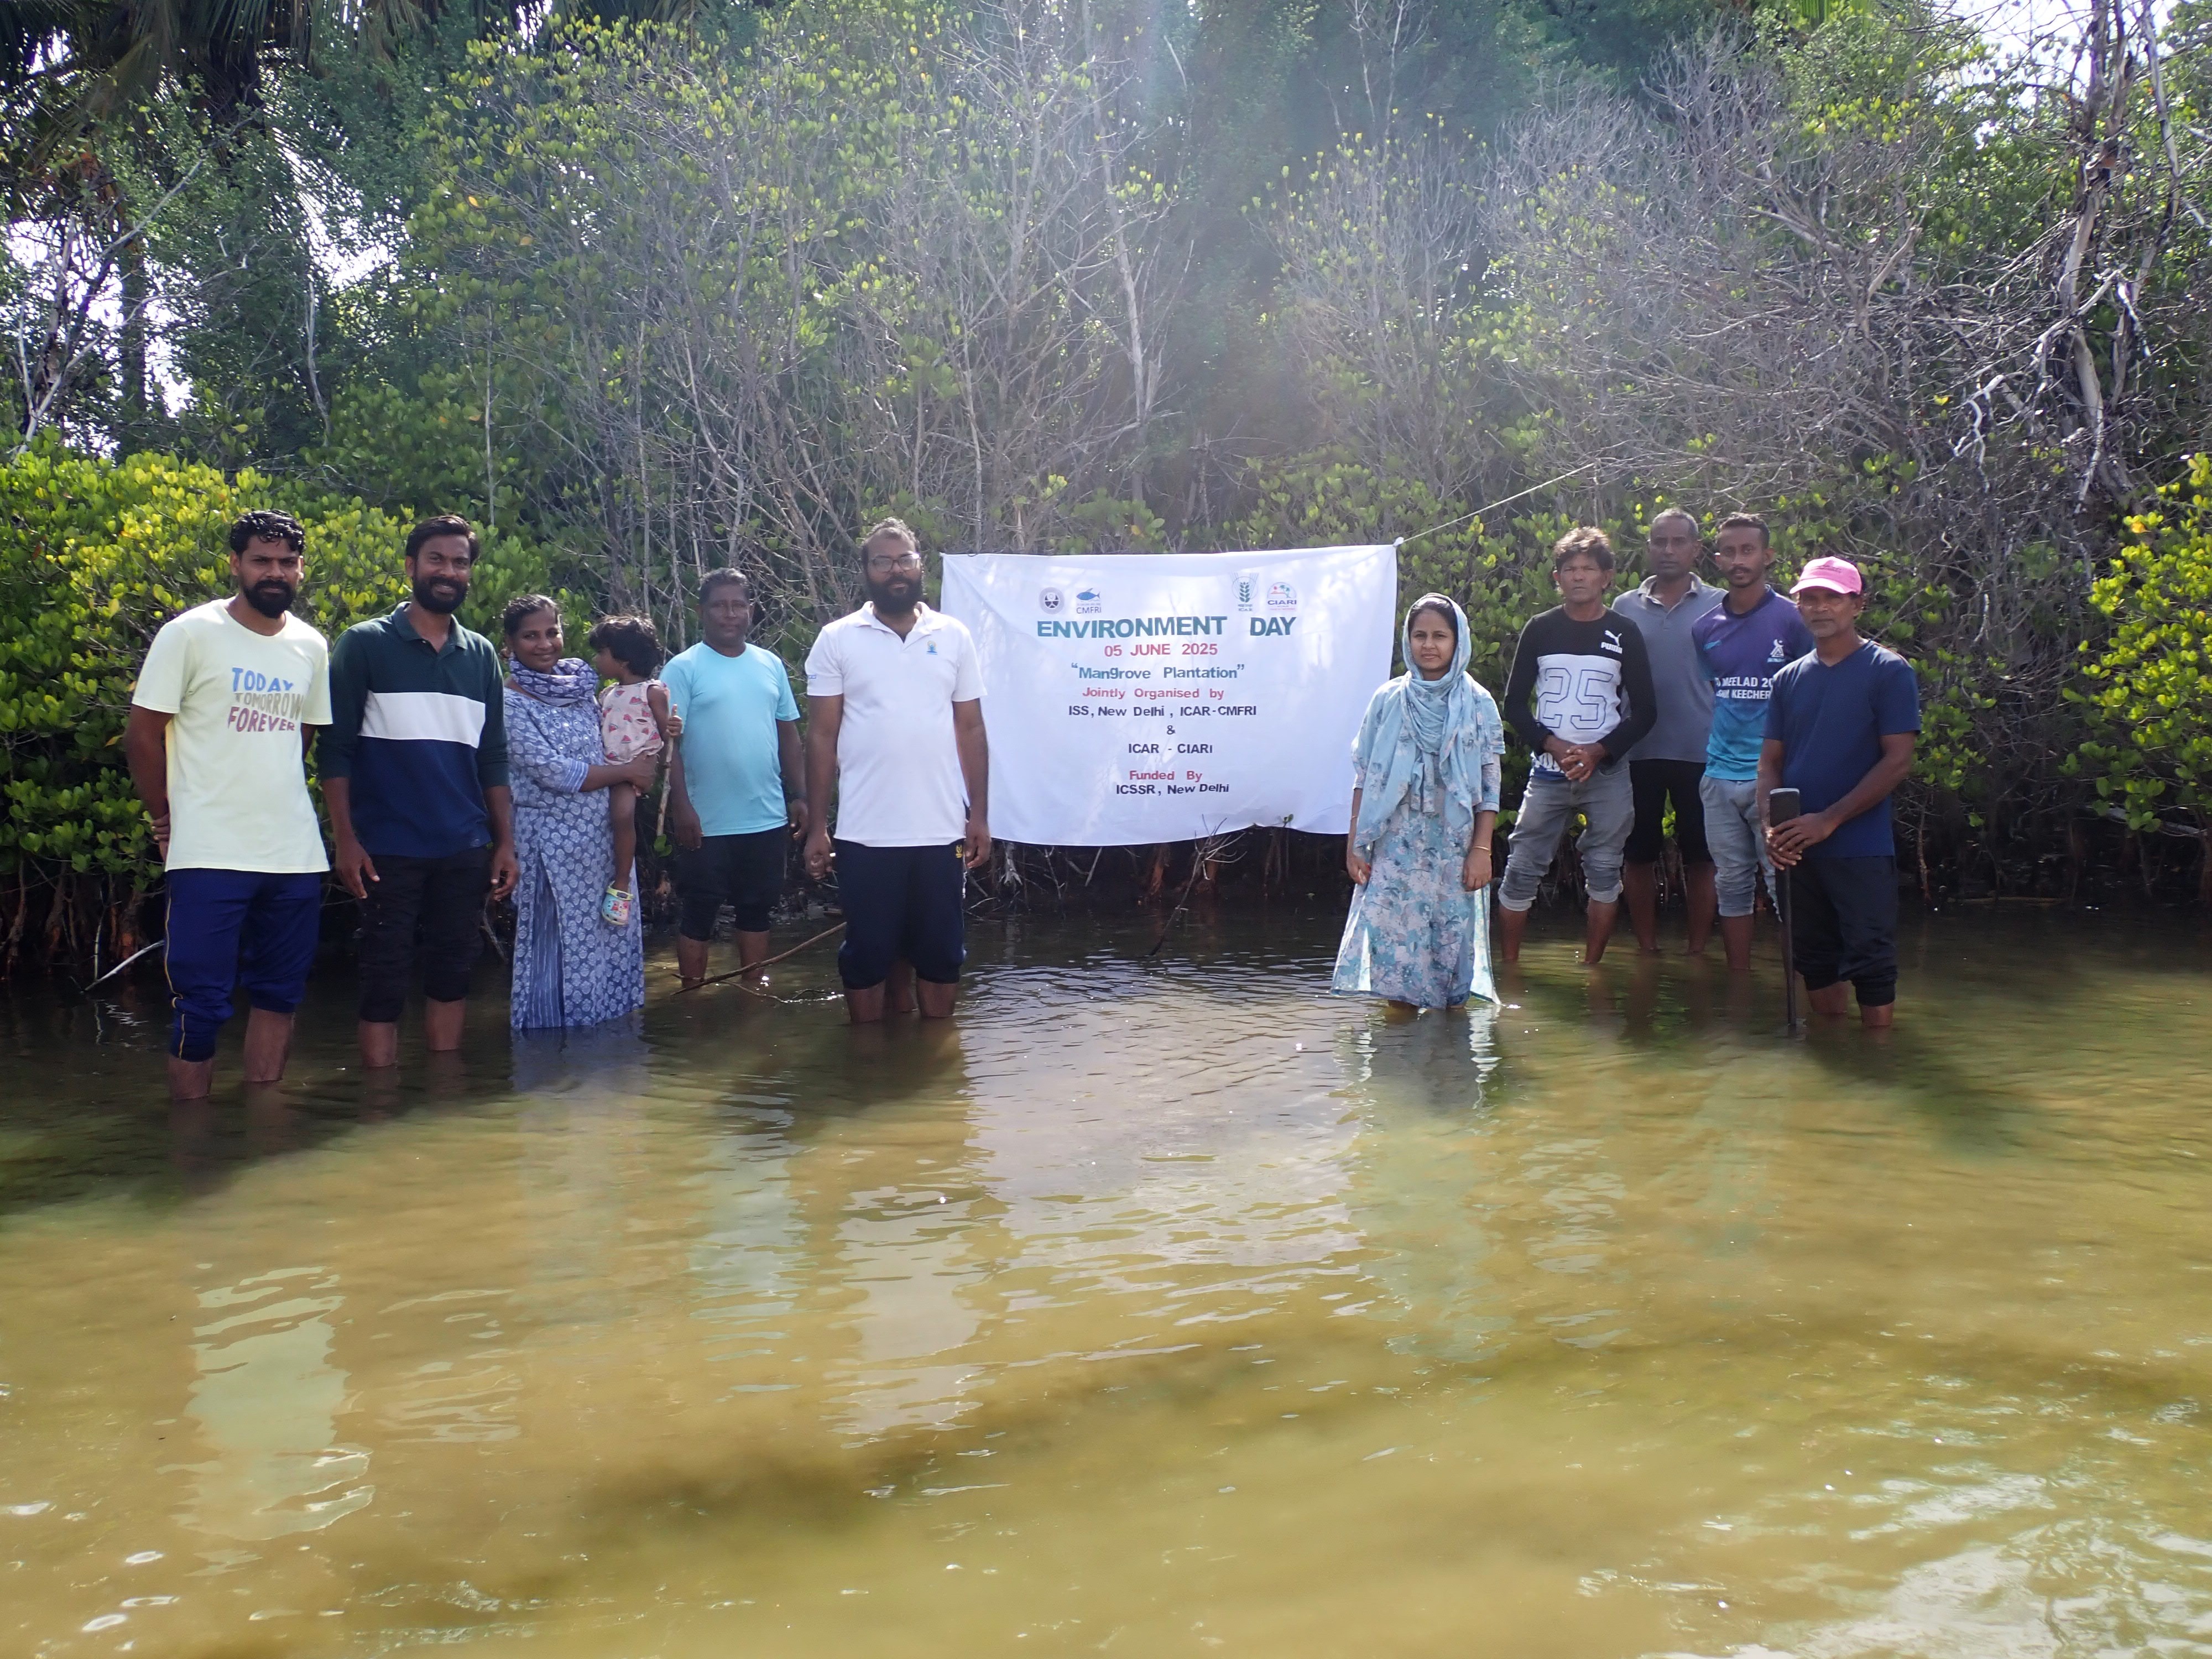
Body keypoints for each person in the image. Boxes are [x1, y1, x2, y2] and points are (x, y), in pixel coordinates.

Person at [124, 510, 332, 1099]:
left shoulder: (311, 645)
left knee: (280, 996)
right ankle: (191, 1134)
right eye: (261, 561)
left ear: (301, 569)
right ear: (236, 564)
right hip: (209, 853)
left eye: (287, 562)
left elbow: (302, 735)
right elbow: (142, 736)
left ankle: (263, 1133)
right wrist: (164, 817)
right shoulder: (189, 634)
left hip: (293, 855)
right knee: (201, 1005)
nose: (275, 573)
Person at [321, 514, 518, 1067]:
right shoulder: (364, 644)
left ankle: (442, 1094)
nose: (448, 572)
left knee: (453, 975)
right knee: (383, 978)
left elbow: (493, 756)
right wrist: (346, 841)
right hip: (385, 847)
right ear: (411, 566)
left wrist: (505, 844)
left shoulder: (480, 655)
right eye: (436, 560)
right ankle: (378, 1101)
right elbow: (335, 750)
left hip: (463, 845)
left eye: (460, 563)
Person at [802, 517, 990, 1022]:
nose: (896, 570)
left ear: (920, 565)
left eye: (904, 559)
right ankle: (866, 1056)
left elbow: (971, 728)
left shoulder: (953, 635)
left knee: (942, 955)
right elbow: (820, 737)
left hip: (941, 831)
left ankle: (932, 1059)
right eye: (882, 562)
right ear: (866, 571)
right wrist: (818, 827)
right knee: (867, 956)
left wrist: (979, 816)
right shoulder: (837, 638)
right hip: (865, 833)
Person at [1759, 556, 1919, 1027]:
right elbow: (1769, 763)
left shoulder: (1889, 671)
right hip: (1797, 848)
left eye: (1832, 598)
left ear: (1857, 605)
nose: (1820, 608)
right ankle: (1834, 1054)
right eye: (1810, 598)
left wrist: (1829, 820)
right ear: (1798, 606)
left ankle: (1877, 1055)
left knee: (1872, 961)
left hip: (1861, 846)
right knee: (1814, 959)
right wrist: (1771, 828)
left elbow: (1898, 761)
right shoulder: (1787, 679)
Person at [1333, 594, 1505, 1010]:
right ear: (1407, 640)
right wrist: (1355, 843)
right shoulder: (1387, 699)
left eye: (1440, 636)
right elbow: (1364, 776)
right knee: (1395, 958)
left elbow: (1489, 785)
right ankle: (1399, 1043)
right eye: (1420, 635)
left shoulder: (1478, 702)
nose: (1429, 645)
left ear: (1458, 640)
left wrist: (1481, 850)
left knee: (1451, 953)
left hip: (1454, 845)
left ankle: (1449, 1046)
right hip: (1395, 844)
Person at [1497, 526, 1656, 967]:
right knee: (1521, 869)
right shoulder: (1540, 629)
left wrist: (1598, 752)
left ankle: (1592, 973)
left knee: (1604, 872)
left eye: (1588, 568)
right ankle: (1509, 972)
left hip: (1606, 775)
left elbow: (1646, 711)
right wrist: (1551, 744)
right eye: (1570, 569)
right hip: (1548, 773)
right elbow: (1514, 705)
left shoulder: (1624, 632)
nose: (1579, 576)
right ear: (1557, 577)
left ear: (1607, 577)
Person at [501, 596, 658, 1029]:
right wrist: (626, 772)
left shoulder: (581, 686)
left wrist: (649, 755)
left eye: (552, 632)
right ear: (509, 644)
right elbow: (555, 772)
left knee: (612, 947)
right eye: (531, 636)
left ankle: (612, 1048)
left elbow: (623, 733)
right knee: (556, 954)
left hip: (605, 847)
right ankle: (548, 1055)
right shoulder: (509, 704)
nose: (545, 644)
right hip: (553, 853)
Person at [661, 570, 806, 991]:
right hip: (705, 821)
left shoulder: (770, 664)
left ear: (751, 611)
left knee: (757, 911)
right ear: (701, 611)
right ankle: (691, 999)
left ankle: (752, 997)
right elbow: (668, 746)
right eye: (720, 606)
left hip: (765, 817)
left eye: (738, 605)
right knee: (699, 913)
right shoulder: (683, 669)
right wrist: (681, 807)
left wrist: (801, 796)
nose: (730, 614)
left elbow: (789, 735)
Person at [1692, 513, 1813, 972]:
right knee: (1732, 886)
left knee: (1785, 887)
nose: (1738, 560)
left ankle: (1803, 986)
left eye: (1748, 551)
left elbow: (1810, 694)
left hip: (1777, 779)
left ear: (1768, 556)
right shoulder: (1705, 627)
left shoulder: (1793, 620)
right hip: (1719, 777)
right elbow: (1716, 691)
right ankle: (1739, 989)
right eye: (1729, 552)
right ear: (1717, 559)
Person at [1612, 507, 1725, 954]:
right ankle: (1647, 951)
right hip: (1637, 752)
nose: (1669, 550)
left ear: (1697, 549)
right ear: (1649, 548)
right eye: (1660, 541)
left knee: (1702, 858)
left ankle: (1697, 952)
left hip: (1703, 751)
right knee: (1638, 854)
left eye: (1679, 542)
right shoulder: (1624, 606)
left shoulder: (1721, 604)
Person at [584, 613, 677, 928]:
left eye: (602, 653)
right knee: (607, 821)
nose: (597, 660)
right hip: (608, 768)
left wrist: (674, 732)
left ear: (622, 660)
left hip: (632, 766)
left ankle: (622, 885)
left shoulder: (652, 691)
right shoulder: (606, 694)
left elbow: (668, 733)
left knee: (622, 816)